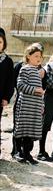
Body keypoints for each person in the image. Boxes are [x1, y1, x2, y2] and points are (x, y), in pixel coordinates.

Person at [11, 43, 46, 161]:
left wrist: (41, 105)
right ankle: (18, 152)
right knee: (22, 129)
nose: (39, 59)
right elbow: (20, 85)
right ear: (28, 56)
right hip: (25, 105)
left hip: (35, 107)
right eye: (36, 56)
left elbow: (40, 90)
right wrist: (35, 90)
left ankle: (27, 154)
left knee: (30, 130)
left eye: (40, 57)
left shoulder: (37, 71)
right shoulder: (24, 69)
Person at [0, 28, 14, 160]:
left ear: (4, 44)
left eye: (0, 42)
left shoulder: (7, 61)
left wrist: (6, 97)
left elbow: (10, 82)